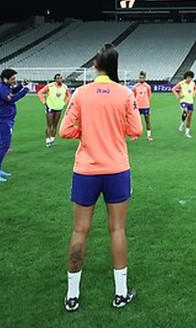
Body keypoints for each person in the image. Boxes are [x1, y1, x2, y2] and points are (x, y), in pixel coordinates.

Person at [60, 43, 141, 310]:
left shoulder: (81, 93)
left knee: (79, 230)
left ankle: (72, 295)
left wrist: (86, 132)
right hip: (117, 168)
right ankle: (120, 293)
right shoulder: (125, 94)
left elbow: (65, 131)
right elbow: (136, 130)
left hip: (86, 170)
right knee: (117, 229)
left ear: (95, 65)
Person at [0, 69, 29, 182]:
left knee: (1, 144)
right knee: (4, 146)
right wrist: (25, 90)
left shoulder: (5, 86)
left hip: (7, 119)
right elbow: (12, 99)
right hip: (3, 120)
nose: (14, 81)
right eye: (12, 79)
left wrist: (21, 85)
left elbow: (13, 91)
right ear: (5, 78)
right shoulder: (1, 89)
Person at [37, 74, 71, 147]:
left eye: (60, 78)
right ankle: (47, 141)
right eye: (58, 78)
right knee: (49, 125)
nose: (59, 80)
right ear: (55, 79)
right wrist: (44, 102)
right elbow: (40, 92)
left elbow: (68, 95)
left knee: (55, 125)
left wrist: (64, 103)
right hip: (50, 108)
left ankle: (52, 140)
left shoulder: (65, 87)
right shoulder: (50, 86)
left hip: (59, 108)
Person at [173, 71, 196, 138]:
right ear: (185, 77)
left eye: (190, 78)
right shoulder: (181, 83)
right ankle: (182, 124)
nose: (189, 79)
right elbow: (173, 89)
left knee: (189, 116)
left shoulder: (193, 83)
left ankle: (186, 131)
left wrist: (194, 94)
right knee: (185, 111)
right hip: (183, 101)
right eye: (188, 77)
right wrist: (177, 96)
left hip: (190, 101)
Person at [132, 72, 153, 141]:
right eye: (140, 77)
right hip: (137, 106)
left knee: (147, 120)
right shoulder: (135, 87)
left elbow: (149, 96)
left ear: (145, 78)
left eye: (142, 78)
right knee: (136, 121)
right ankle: (135, 135)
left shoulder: (147, 87)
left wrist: (146, 103)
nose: (141, 79)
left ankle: (149, 135)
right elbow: (134, 96)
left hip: (145, 106)